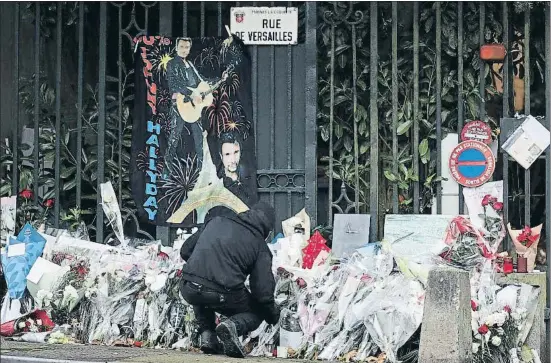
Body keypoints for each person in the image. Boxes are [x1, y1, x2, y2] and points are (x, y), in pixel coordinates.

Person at [179, 202, 280, 358]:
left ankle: (208, 337)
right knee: (257, 311)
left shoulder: (216, 221)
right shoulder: (260, 246)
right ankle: (232, 326)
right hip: (220, 292)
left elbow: (185, 251)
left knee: (201, 289)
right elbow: (262, 292)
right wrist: (271, 313)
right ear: (267, 229)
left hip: (187, 287)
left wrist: (203, 265)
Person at [164, 37, 227, 179]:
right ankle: (167, 170)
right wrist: (191, 94)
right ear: (176, 47)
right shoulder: (172, 64)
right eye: (181, 46)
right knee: (174, 137)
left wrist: (219, 80)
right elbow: (174, 85)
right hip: (180, 104)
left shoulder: (190, 64)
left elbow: (201, 82)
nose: (184, 50)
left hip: (194, 107)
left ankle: (201, 170)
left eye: (186, 47)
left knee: (199, 138)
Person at [215, 132, 258, 208]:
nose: (233, 160)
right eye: (227, 154)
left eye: (236, 152)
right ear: (221, 156)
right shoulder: (216, 181)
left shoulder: (248, 177)